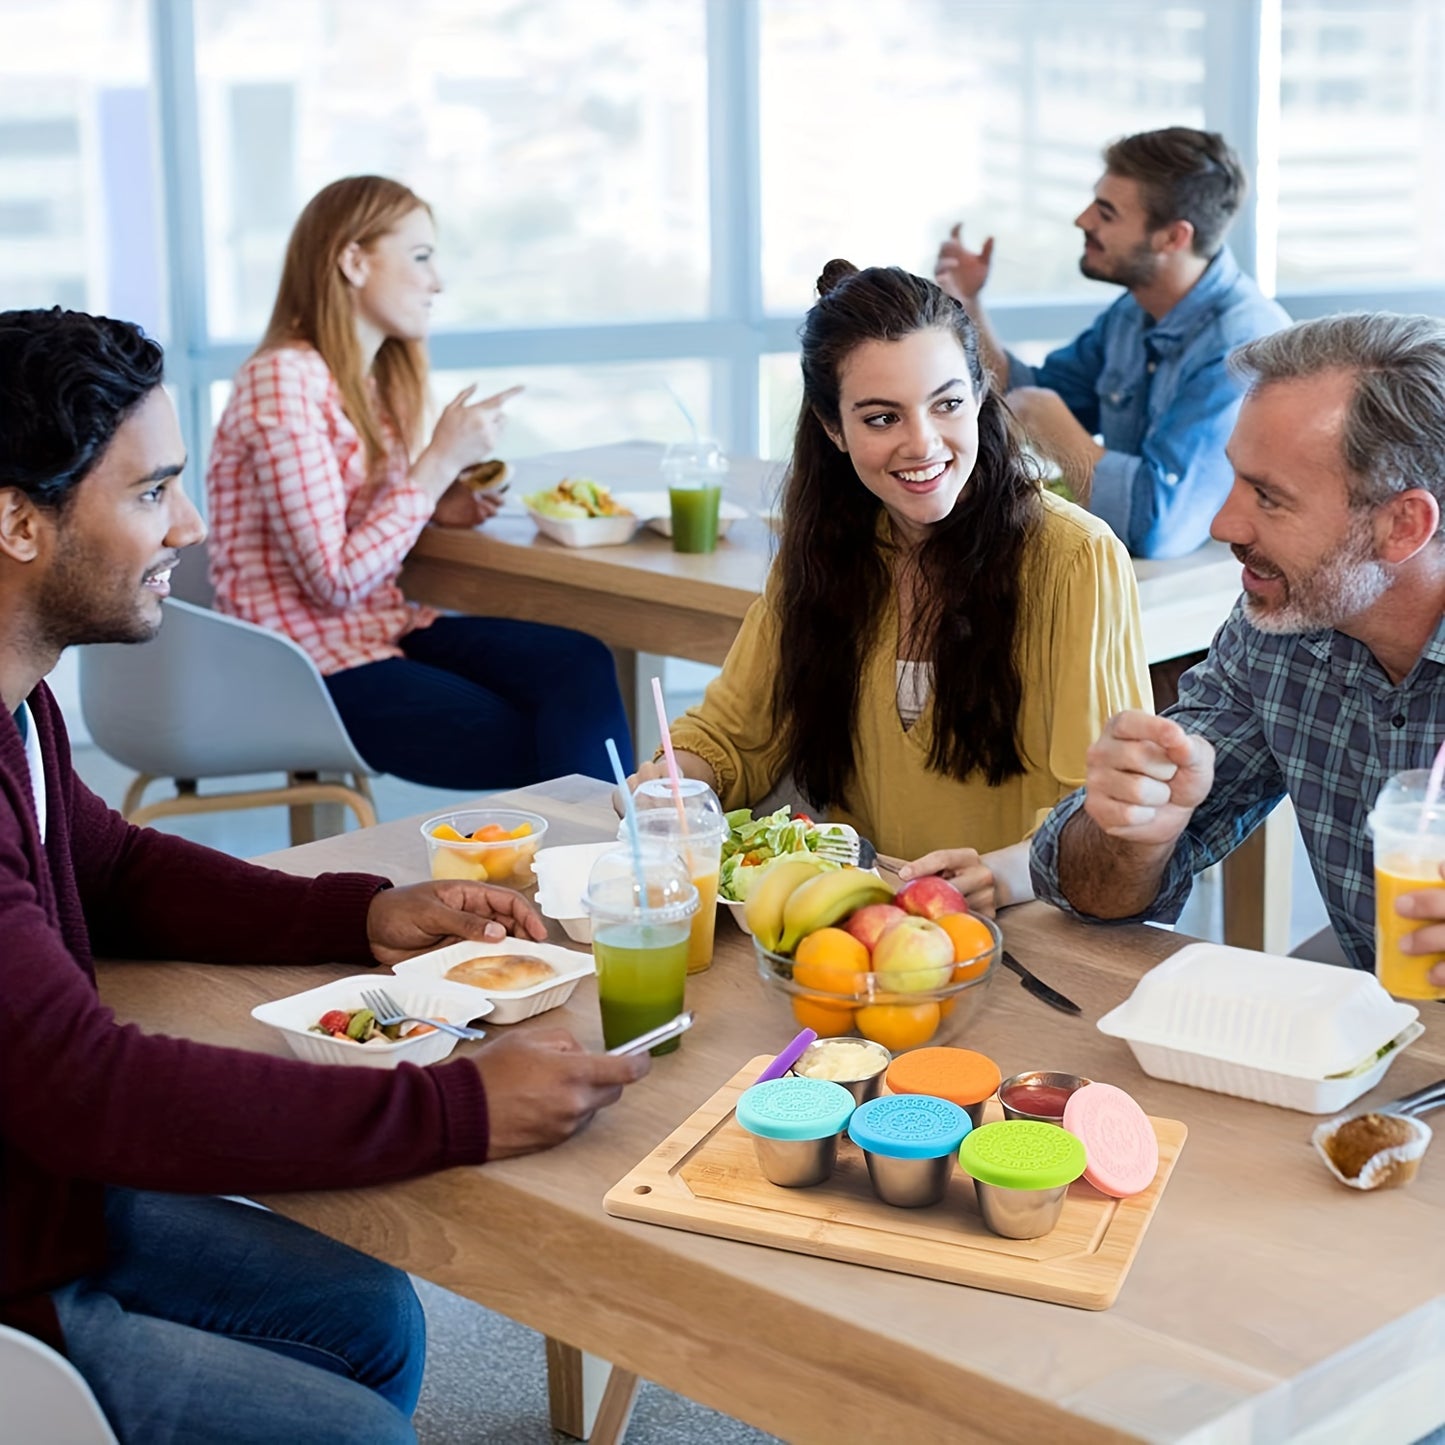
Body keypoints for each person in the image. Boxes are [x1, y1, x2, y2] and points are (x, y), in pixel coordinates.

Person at [0, 306, 647, 1442]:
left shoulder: (22, 700)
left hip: (37, 1191)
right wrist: (455, 1103)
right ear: (17, 521)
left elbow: (114, 867)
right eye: (152, 491)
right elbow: (91, 1087)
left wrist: (367, 913)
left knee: (373, 1317)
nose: (188, 527)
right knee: (361, 1432)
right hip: (12, 1270)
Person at [630, 262, 1151, 912]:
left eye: (947, 403)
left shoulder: (1077, 559)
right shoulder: (823, 552)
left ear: (981, 393)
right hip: (863, 932)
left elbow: (1102, 815)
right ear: (832, 427)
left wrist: (1004, 872)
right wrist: (676, 780)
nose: (922, 443)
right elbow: (735, 734)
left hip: (1030, 939)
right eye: (881, 419)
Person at [1029, 312, 1445, 979]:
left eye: (1268, 497)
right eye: (1235, 478)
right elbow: (1088, 892)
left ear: (1402, 525)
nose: (1223, 522)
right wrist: (1135, 828)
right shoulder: (1278, 630)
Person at [206, 175, 633, 788]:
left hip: (381, 630)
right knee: (539, 737)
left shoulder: (368, 381)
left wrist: (437, 503)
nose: (437, 281)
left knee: (580, 662)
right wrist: (434, 465)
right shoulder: (284, 379)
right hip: (306, 667)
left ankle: (598, 866)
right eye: (421, 256)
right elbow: (333, 581)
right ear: (353, 260)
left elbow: (344, 520)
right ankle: (599, 871)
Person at [934, 127, 1289, 562]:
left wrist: (1055, 426)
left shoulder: (1240, 346)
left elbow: (1156, 527)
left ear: (1173, 237)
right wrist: (968, 302)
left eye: (1106, 212)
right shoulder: (1133, 312)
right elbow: (1016, 393)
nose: (1083, 220)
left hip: (1209, 597)